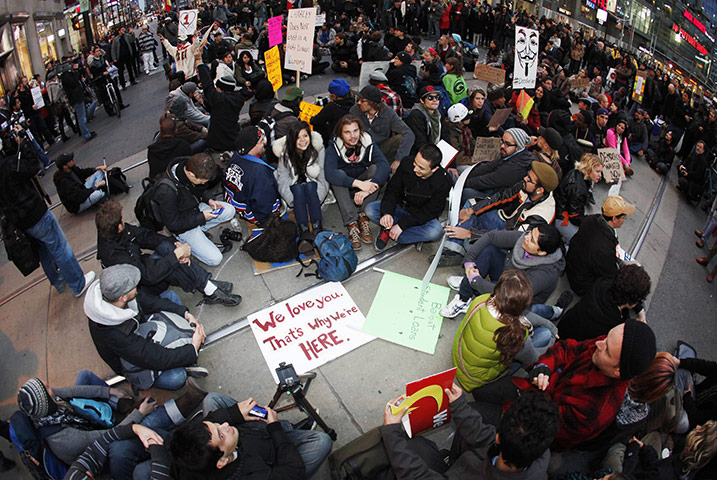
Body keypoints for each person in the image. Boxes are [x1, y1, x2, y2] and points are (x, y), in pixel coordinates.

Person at [473, 320, 657, 451]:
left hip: (527, 424)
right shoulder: (606, 347)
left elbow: (542, 425)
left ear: (618, 372)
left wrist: (537, 386)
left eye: (607, 349)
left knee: (472, 415)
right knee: (481, 393)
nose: (599, 343)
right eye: (607, 337)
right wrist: (544, 366)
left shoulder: (593, 411)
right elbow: (566, 349)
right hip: (532, 392)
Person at [17, 374, 205, 480]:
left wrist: (109, 391)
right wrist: (139, 414)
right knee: (141, 428)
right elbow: (111, 436)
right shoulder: (65, 441)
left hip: (90, 427)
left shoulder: (46, 407)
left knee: (84, 377)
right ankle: (185, 405)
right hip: (102, 455)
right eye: (48, 389)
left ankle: (124, 404)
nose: (52, 388)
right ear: (46, 402)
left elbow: (76, 391)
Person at [381, 385, 559, 478]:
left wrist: (391, 432)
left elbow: (417, 476)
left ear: (498, 438)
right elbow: (482, 437)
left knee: (415, 447)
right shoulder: (539, 456)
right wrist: (458, 405)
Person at [0, 126, 94, 296]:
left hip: (21, 222)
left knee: (44, 251)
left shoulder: (8, 165)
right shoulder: (8, 165)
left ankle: (59, 283)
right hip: (35, 214)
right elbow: (32, 166)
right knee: (59, 247)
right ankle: (78, 283)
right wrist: (23, 142)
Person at [84, 264, 208, 392]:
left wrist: (186, 314)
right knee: (177, 377)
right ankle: (182, 360)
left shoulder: (114, 295)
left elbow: (151, 302)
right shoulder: (114, 334)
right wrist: (192, 348)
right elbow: (154, 357)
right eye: (133, 286)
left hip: (139, 331)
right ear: (123, 297)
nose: (136, 287)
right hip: (134, 361)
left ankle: (180, 355)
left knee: (170, 296)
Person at [95, 200, 242, 307]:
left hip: (142, 266)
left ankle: (206, 285)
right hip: (141, 287)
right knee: (170, 263)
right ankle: (208, 286)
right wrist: (176, 255)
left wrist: (174, 245)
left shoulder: (114, 231)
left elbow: (146, 236)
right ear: (119, 226)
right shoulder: (113, 256)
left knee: (167, 249)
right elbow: (146, 276)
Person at [168, 393, 333, 479]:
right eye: (221, 435)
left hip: (253, 436)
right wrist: (275, 430)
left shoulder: (190, 451)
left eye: (218, 426)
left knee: (213, 399)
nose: (226, 425)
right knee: (321, 441)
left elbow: (211, 421)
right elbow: (292, 472)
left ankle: (284, 428)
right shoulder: (249, 474)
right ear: (222, 461)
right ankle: (286, 430)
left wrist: (235, 413)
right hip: (272, 454)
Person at [452, 270, 558, 391]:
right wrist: (553, 341)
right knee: (545, 335)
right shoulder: (514, 335)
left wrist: (548, 324)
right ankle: (556, 312)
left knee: (541, 327)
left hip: (459, 359)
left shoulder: (481, 300)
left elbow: (523, 316)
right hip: (476, 380)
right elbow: (534, 360)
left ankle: (554, 314)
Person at [442, 161, 559, 262]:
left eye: (529, 179)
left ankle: (465, 239)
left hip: (512, 243)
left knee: (471, 243)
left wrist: (470, 234)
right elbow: (500, 197)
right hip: (505, 221)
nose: (525, 178)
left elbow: (514, 238)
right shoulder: (527, 186)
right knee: (472, 204)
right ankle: (454, 248)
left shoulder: (541, 215)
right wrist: (471, 211)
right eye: (527, 175)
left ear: (539, 190)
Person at [442, 224, 565, 317]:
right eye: (530, 233)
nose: (526, 237)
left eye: (532, 239)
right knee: (489, 250)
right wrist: (469, 262)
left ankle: (469, 287)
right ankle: (465, 294)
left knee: (484, 287)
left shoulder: (546, 274)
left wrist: (476, 281)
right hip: (506, 275)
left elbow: (509, 294)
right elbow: (492, 236)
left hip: (514, 299)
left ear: (542, 252)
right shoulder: (525, 238)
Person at [154, 153, 236, 266]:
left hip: (195, 209)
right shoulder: (166, 191)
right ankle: (185, 240)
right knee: (215, 259)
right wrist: (201, 218)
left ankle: (200, 231)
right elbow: (173, 224)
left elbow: (201, 190)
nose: (204, 183)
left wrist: (209, 200)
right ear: (192, 175)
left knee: (229, 211)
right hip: (182, 226)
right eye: (203, 181)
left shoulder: (191, 167)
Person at [366, 144, 451, 251]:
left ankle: (392, 231)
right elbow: (392, 190)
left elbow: (431, 212)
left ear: (434, 169)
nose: (415, 169)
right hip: (399, 207)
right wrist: (387, 213)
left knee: (435, 232)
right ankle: (396, 230)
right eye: (415, 163)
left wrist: (402, 225)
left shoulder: (443, 182)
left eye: (421, 168)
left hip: (420, 215)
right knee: (370, 210)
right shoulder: (407, 163)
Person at [325, 115, 391, 250]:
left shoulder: (367, 142)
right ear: (340, 134)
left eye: (355, 131)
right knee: (338, 176)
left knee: (375, 169)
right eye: (347, 132)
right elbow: (329, 173)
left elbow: (385, 166)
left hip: (364, 183)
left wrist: (368, 188)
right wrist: (358, 184)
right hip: (347, 186)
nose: (353, 136)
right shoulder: (333, 147)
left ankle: (363, 215)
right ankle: (351, 223)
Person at [559, 264, 651, 341]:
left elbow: (626, 288)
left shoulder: (602, 283)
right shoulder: (615, 325)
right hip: (574, 346)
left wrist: (639, 309)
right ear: (631, 302)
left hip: (564, 326)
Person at [565, 195, 635, 296]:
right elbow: (610, 274)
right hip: (581, 283)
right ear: (615, 219)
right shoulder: (604, 248)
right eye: (624, 218)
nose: (624, 220)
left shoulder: (590, 219)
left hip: (572, 265)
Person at [273, 121, 329, 233]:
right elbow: (283, 179)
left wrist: (318, 197)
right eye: (298, 137)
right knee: (298, 189)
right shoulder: (285, 153)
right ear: (292, 139)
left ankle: (317, 226)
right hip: (295, 188)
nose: (303, 140)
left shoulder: (318, 149)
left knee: (310, 186)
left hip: (315, 188)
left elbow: (323, 176)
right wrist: (292, 199)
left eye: (305, 135)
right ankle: (304, 229)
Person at [349, 85, 415, 173]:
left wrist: (399, 159)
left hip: (379, 148)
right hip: (359, 149)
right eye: (358, 99)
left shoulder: (388, 114)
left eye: (363, 101)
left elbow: (409, 134)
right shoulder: (355, 111)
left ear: (373, 103)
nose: (359, 103)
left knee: (400, 138)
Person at [195, 49, 245, 164]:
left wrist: (200, 62)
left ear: (221, 89)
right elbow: (218, 110)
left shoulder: (218, 99)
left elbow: (207, 84)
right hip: (232, 137)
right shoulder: (238, 99)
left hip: (217, 140)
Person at [618, 422, 717, 478]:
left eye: (701, 429)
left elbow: (626, 476)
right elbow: (656, 466)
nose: (697, 426)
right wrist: (644, 448)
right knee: (655, 437)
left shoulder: (664, 473)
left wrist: (633, 450)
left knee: (617, 449)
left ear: (696, 444)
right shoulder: (687, 467)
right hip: (650, 473)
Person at [225, 126, 280, 226]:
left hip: (238, 202)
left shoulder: (236, 156)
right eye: (261, 140)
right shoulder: (259, 172)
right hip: (254, 214)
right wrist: (267, 221)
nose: (264, 142)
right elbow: (263, 204)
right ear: (252, 147)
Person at [462, 127, 534, 201]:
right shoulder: (510, 154)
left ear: (518, 147)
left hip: (500, 198)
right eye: (502, 141)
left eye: (507, 144)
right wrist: (463, 179)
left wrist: (462, 185)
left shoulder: (517, 167)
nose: (502, 146)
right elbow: (488, 167)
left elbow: (488, 180)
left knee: (467, 192)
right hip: (495, 186)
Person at [554, 153, 604, 242]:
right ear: (589, 170)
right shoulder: (578, 189)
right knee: (578, 240)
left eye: (600, 172)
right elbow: (574, 216)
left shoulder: (577, 173)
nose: (600, 175)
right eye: (597, 171)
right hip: (561, 217)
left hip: (561, 210)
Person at [310, 79, 356, 147]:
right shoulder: (355, 101)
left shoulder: (332, 107)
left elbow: (316, 121)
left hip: (335, 135)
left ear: (334, 95)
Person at [60, 59, 97, 142]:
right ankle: (86, 135)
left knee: (82, 115)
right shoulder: (67, 77)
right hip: (76, 98)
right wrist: (76, 71)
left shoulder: (66, 76)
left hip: (77, 97)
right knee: (81, 117)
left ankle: (86, 132)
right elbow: (74, 82)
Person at [147, 114, 193, 179]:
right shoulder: (182, 144)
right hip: (177, 177)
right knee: (201, 143)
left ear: (160, 132)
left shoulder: (152, 150)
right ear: (176, 130)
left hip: (159, 179)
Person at [405, 85, 443, 157]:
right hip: (419, 155)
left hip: (435, 152)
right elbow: (420, 143)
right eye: (430, 98)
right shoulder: (416, 115)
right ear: (422, 100)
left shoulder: (439, 114)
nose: (434, 100)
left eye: (437, 97)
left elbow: (445, 136)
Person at [677, 140, 708, 205]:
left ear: (703, 150)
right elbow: (687, 161)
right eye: (697, 146)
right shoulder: (694, 154)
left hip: (693, 181)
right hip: (688, 173)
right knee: (679, 167)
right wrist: (682, 165)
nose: (698, 148)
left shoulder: (703, 162)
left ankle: (687, 192)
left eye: (700, 147)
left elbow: (697, 175)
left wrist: (688, 174)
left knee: (682, 180)